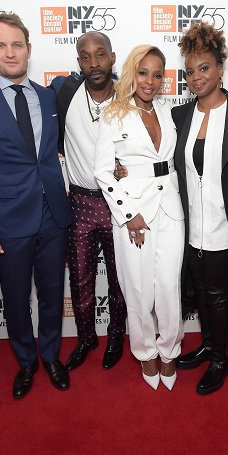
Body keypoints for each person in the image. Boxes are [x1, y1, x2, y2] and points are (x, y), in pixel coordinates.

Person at [0, 12, 72, 400]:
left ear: (29, 49)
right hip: (6, 221)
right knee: (16, 299)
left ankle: (52, 355)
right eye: (0, 45)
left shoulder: (48, 96)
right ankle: (26, 361)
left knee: (53, 293)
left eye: (16, 44)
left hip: (54, 214)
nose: (10, 52)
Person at [171, 23, 228, 395]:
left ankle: (220, 359)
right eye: (190, 71)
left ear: (221, 67)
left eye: (204, 68)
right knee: (201, 290)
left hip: (227, 225)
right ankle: (208, 345)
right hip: (192, 225)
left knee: (219, 295)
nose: (196, 77)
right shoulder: (179, 116)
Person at [95, 45, 185, 390]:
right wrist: (128, 214)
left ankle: (170, 350)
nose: (150, 81)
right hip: (135, 215)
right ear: (132, 72)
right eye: (143, 72)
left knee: (168, 287)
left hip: (170, 211)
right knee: (138, 288)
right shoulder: (112, 114)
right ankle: (145, 352)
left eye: (158, 74)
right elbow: (103, 172)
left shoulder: (167, 111)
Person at [49, 32, 128, 371]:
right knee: (79, 278)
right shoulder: (63, 91)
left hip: (116, 203)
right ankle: (85, 339)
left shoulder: (130, 97)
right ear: (78, 61)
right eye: (85, 56)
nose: (93, 63)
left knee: (119, 278)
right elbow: (20, 94)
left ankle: (115, 336)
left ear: (113, 57)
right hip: (79, 202)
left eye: (100, 55)